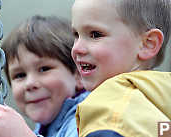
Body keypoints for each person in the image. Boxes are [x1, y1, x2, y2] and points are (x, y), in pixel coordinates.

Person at [0, 15, 89, 137]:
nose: (30, 83)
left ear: (78, 75)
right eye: (20, 75)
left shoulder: (87, 117)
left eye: (44, 69)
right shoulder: (46, 127)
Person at [71, 0, 171, 136]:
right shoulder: (161, 99)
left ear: (148, 44)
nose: (76, 48)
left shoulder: (109, 114)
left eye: (95, 34)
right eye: (76, 35)